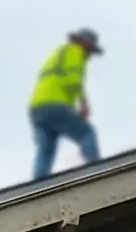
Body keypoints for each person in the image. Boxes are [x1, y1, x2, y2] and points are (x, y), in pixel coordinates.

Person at [28, 28, 103, 180]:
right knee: (87, 133)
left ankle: (37, 184)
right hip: (55, 103)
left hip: (37, 107)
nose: (89, 57)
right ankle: (98, 172)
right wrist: (83, 104)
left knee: (46, 150)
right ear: (86, 45)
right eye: (90, 52)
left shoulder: (58, 53)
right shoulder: (76, 52)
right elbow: (74, 81)